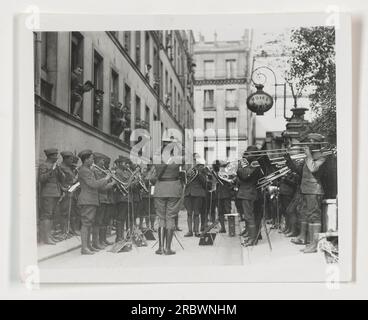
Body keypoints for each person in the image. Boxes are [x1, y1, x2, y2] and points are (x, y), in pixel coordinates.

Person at [289, 133, 327, 253]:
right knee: (306, 215)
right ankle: (309, 241)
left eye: (310, 142)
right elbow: (301, 172)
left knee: (314, 217)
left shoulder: (322, 156)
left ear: (316, 143)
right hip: (306, 189)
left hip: (314, 190)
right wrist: (288, 161)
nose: (308, 144)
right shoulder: (310, 156)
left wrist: (309, 155)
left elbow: (313, 169)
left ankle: (314, 245)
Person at [77, 149, 112, 255]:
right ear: (86, 159)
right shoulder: (84, 170)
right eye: (91, 158)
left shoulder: (88, 169)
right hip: (87, 200)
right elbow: (93, 184)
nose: (93, 160)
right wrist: (106, 178)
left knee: (89, 223)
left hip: (91, 200)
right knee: (86, 224)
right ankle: (84, 248)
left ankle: (88, 246)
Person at [153, 138, 184, 255]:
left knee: (161, 218)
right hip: (173, 189)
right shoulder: (177, 159)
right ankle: (168, 248)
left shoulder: (157, 159)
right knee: (170, 217)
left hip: (160, 189)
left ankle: (160, 248)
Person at [236, 146, 262, 247]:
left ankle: (253, 239)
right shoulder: (249, 164)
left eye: (248, 153)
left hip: (249, 193)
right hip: (246, 192)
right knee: (248, 216)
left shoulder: (255, 163)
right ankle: (251, 237)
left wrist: (240, 166)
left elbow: (245, 175)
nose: (246, 155)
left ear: (253, 154)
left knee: (249, 217)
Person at [38, 148, 63, 245]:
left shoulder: (55, 166)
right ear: (50, 156)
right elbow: (41, 178)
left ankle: (49, 236)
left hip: (55, 193)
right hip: (47, 193)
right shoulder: (44, 165)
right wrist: (52, 170)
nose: (57, 157)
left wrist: (58, 170)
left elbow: (59, 179)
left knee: (51, 215)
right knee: (47, 215)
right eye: (55, 155)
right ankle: (46, 238)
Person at [91, 153, 116, 250]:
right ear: (97, 160)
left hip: (107, 199)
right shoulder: (95, 171)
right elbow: (101, 187)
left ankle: (103, 239)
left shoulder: (104, 171)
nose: (103, 162)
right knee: (98, 221)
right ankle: (96, 242)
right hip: (100, 198)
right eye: (102, 160)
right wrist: (112, 183)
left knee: (105, 221)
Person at [183, 157, 207, 237]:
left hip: (197, 194)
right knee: (189, 213)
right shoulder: (189, 171)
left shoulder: (202, 172)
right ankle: (190, 231)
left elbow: (205, 183)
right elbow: (184, 180)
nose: (202, 167)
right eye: (201, 166)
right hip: (188, 194)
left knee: (196, 213)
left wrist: (200, 173)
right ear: (198, 165)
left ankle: (196, 231)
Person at [58, 151, 80, 237]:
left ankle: (71, 230)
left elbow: (72, 180)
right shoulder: (61, 168)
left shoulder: (69, 168)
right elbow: (59, 181)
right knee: (65, 212)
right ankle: (64, 231)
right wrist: (65, 189)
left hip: (72, 192)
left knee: (72, 212)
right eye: (71, 159)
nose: (72, 161)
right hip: (65, 193)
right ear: (66, 158)